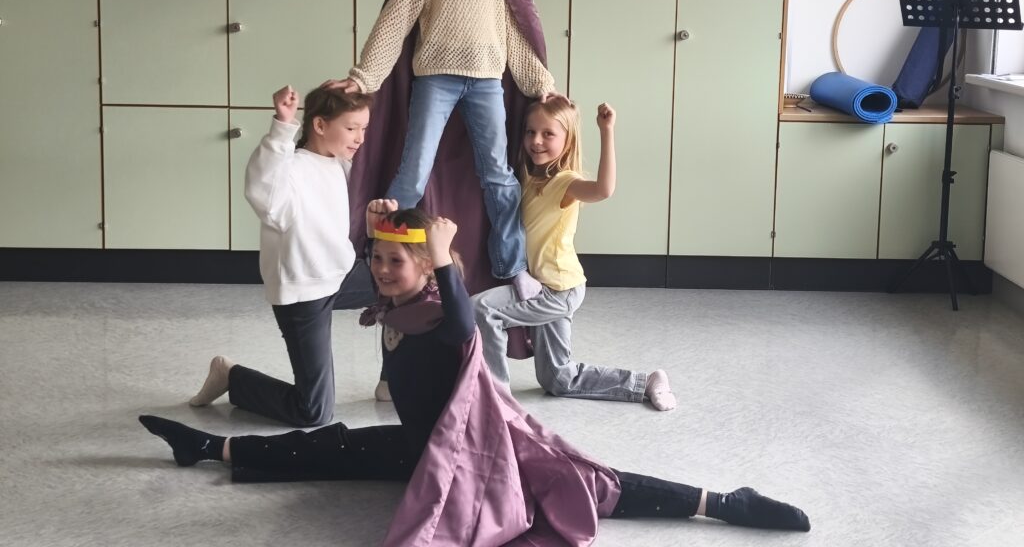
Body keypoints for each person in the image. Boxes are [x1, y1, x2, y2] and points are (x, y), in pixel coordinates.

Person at [141, 208, 811, 545]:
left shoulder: (439, 310)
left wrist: (440, 258)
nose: (382, 270)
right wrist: (382, 227)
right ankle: (209, 448)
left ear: (427, 270)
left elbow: (464, 326)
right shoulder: (397, 303)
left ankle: (723, 502)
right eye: (377, 259)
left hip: (483, 451)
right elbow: (370, 267)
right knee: (329, 445)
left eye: (395, 263)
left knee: (594, 482)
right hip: (424, 444)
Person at [328, 0, 557, 305]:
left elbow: (515, 26)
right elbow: (395, 21)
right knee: (413, 173)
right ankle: (384, 259)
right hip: (436, 79)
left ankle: (512, 267)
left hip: (487, 81)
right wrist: (364, 76)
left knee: (499, 176)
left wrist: (539, 82)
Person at [187, 84, 380, 426]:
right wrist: (283, 124)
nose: (360, 138)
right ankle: (231, 376)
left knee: (412, 284)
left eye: (364, 128)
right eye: (352, 128)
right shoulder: (291, 169)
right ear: (319, 125)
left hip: (341, 276)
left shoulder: (341, 164)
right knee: (314, 412)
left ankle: (392, 380)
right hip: (303, 292)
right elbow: (263, 192)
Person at [473, 98, 678, 410]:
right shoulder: (527, 177)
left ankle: (495, 398)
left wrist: (606, 131)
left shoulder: (565, 182)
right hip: (543, 285)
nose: (536, 141)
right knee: (558, 379)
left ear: (568, 141)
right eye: (530, 132)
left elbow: (603, 190)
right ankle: (647, 382)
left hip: (558, 289)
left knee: (482, 309)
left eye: (548, 134)